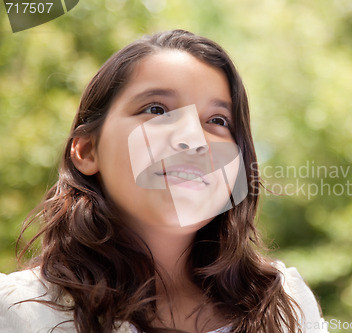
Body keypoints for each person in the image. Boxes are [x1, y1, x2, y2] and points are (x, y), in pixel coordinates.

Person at [0, 30, 326, 333]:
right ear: (86, 150)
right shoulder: (16, 313)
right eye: (156, 110)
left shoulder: (289, 306)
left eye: (217, 121)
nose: (193, 139)